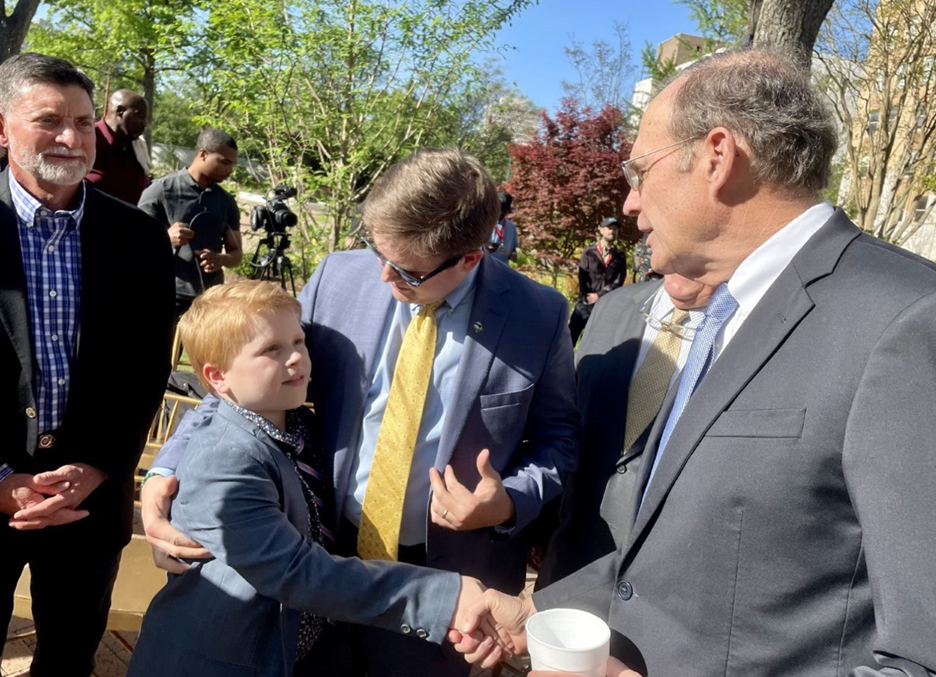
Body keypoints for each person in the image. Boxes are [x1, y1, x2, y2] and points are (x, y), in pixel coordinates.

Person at [455, 47, 936, 677]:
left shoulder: (908, 320)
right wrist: (545, 609)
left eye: (639, 172)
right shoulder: (722, 313)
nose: (629, 204)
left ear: (717, 156)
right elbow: (694, 547)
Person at [142, 147, 579, 677]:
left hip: (446, 580)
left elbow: (560, 438)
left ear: (470, 257)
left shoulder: (539, 314)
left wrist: (509, 502)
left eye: (406, 272)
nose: (382, 279)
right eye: (378, 255)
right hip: (319, 554)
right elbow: (235, 387)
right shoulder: (339, 278)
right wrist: (166, 471)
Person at [127, 281, 493, 677]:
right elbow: (298, 573)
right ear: (217, 377)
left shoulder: (300, 424)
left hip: (304, 650)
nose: (296, 359)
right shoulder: (224, 462)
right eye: (272, 350)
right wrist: (447, 599)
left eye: (299, 342)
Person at [0, 53, 174, 677]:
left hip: (87, 499)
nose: (72, 139)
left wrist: (100, 465)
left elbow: (145, 368)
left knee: (70, 658)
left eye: (81, 119)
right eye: (49, 121)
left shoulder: (138, 238)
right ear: (2, 128)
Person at [538, 274, 714, 587]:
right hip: (571, 566)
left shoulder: (758, 321)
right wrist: (542, 525)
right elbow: (569, 423)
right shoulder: (613, 307)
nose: (639, 221)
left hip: (672, 587)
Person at [138, 127, 243, 319]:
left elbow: (236, 255)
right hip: (166, 294)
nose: (229, 170)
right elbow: (133, 242)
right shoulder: (161, 190)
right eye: (224, 162)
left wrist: (220, 259)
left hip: (210, 299)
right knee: (163, 350)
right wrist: (165, 237)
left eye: (232, 165)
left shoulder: (226, 202)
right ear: (203, 154)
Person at [568, 216, 628, 345]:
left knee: (597, 343)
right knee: (569, 340)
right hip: (585, 303)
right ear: (601, 230)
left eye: (615, 229)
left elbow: (618, 282)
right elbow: (582, 276)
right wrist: (587, 296)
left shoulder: (620, 256)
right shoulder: (589, 252)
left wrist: (599, 296)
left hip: (606, 306)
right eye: (609, 228)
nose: (612, 231)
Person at [85, 89, 150, 204]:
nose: (143, 123)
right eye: (139, 116)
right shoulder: (87, 138)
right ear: (120, 111)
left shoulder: (138, 148)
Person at [486, 189, 518, 263]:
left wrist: (513, 255)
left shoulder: (511, 227)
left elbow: (514, 252)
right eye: (499, 210)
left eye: (504, 211)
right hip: (483, 267)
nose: (501, 213)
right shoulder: (483, 222)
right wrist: (487, 248)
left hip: (501, 268)